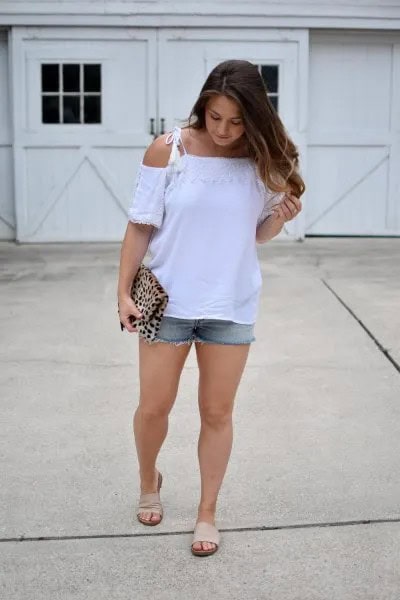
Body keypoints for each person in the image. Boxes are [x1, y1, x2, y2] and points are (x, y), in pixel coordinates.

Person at [117, 59, 305, 557]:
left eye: (237, 121)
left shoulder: (264, 159)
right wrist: (122, 292)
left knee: (217, 412)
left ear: (255, 118)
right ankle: (148, 480)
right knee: (154, 408)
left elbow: (255, 235)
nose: (223, 130)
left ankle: (207, 513)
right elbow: (140, 225)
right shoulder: (169, 150)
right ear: (204, 106)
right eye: (215, 116)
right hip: (168, 301)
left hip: (230, 304)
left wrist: (279, 220)